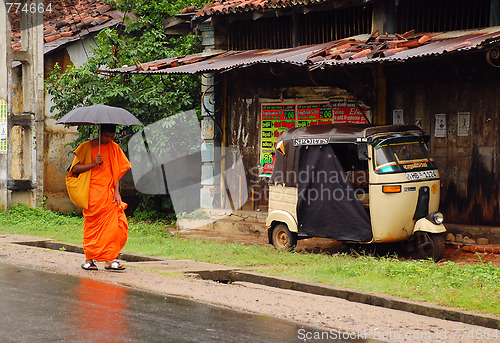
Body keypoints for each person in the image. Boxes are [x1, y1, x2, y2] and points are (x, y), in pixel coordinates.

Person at [69, 124, 131, 271]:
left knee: (116, 228)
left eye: (111, 137)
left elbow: (116, 172)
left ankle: (110, 260)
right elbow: (74, 169)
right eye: (106, 136)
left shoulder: (114, 148)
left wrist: (117, 191)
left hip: (109, 194)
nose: (108, 140)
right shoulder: (86, 147)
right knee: (92, 227)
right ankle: (89, 260)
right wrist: (93, 163)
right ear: (100, 133)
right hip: (93, 195)